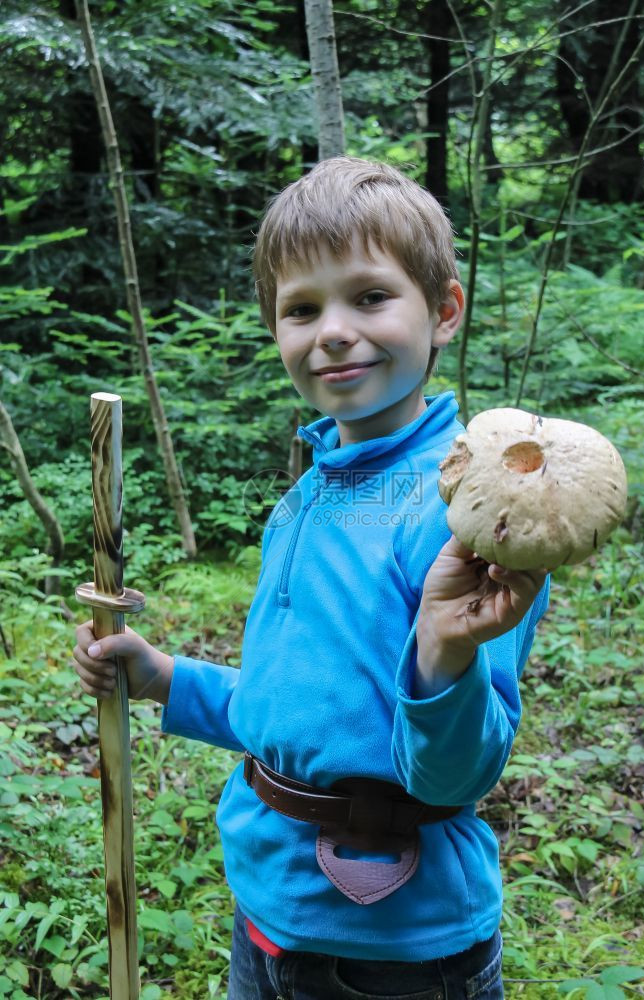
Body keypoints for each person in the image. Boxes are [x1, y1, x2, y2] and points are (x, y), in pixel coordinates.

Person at [73, 157, 549, 1000]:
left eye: (368, 297)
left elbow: (458, 775)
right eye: (301, 308)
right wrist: (166, 679)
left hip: (388, 944)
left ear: (443, 311)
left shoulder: (468, 513)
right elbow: (302, 706)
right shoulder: (312, 491)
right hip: (269, 905)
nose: (331, 330)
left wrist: (445, 653)